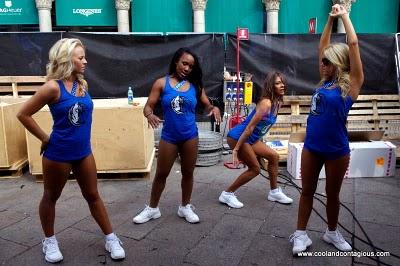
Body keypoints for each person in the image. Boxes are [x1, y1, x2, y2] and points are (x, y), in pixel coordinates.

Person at [17, 38, 125, 263]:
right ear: (67, 59)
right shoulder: (51, 87)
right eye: (81, 57)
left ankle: (111, 237)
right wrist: (45, 138)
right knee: (51, 197)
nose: (85, 61)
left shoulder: (81, 84)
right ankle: (49, 240)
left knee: (93, 195)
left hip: (83, 152)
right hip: (58, 153)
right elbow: (23, 114)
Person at [290, 4, 363, 255]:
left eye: (327, 61)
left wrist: (344, 14)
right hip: (312, 147)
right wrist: (330, 20)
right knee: (307, 191)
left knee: (333, 194)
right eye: (322, 61)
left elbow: (353, 45)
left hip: (336, 150)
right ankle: (300, 234)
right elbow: (322, 44)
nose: (322, 64)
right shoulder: (323, 82)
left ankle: (331, 232)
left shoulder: (351, 86)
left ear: (339, 63)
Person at [133, 47, 221, 224]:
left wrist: (214, 108)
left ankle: (185, 207)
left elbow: (207, 106)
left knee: (188, 173)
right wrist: (150, 115)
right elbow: (148, 106)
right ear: (176, 62)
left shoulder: (196, 86)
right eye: (184, 63)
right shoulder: (161, 83)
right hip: (169, 137)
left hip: (190, 136)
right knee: (161, 174)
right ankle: (152, 209)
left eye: (191, 66)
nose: (187, 68)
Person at [218, 71, 293, 209]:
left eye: (282, 82)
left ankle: (274, 192)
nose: (282, 85)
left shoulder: (278, 102)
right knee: (255, 169)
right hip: (238, 137)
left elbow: (260, 129)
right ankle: (227, 194)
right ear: (271, 86)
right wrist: (236, 150)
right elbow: (249, 128)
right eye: (277, 83)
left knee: (274, 157)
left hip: (251, 139)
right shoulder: (266, 103)